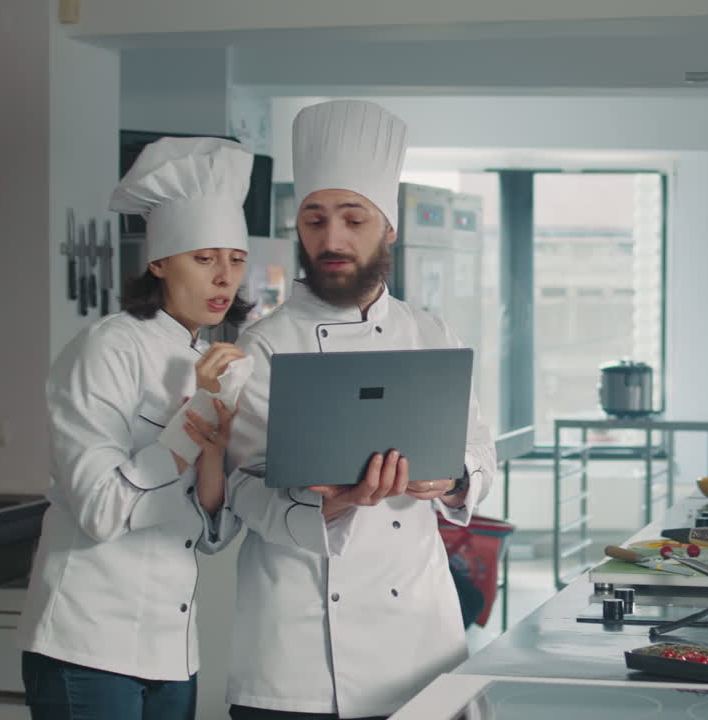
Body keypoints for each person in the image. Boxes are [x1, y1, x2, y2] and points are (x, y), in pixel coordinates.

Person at [212, 99, 497, 720]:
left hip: (418, 643)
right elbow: (241, 490)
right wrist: (330, 503)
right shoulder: (265, 345)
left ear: (388, 228)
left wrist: (451, 479)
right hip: (299, 660)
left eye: (352, 218)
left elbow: (481, 450)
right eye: (314, 221)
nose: (331, 239)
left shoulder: (430, 332)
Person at [16, 137, 254, 720]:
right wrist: (192, 423)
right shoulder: (104, 348)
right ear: (159, 262)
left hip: (172, 647)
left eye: (235, 259)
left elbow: (212, 535)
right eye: (204, 259)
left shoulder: (212, 356)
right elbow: (99, 510)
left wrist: (213, 452)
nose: (223, 277)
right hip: (88, 640)